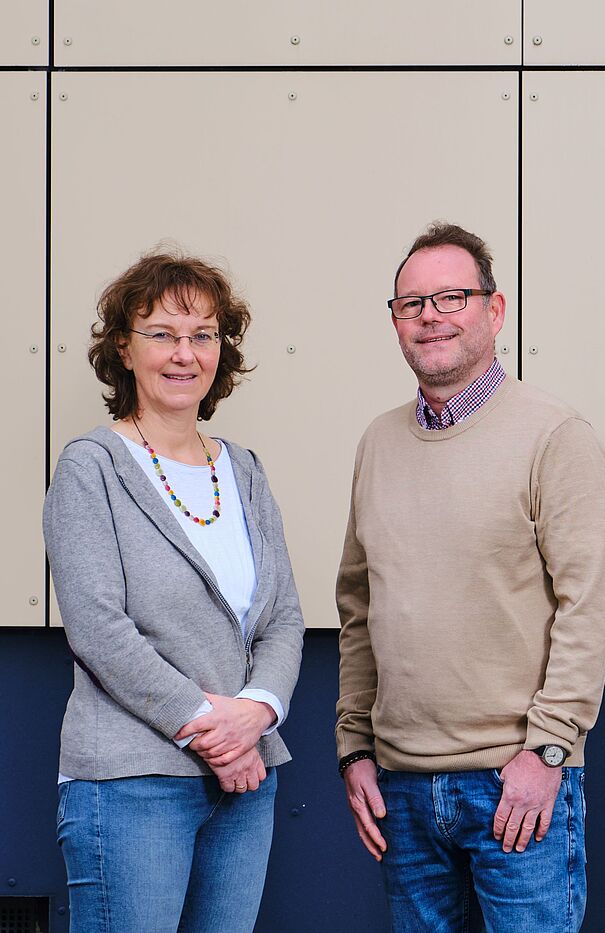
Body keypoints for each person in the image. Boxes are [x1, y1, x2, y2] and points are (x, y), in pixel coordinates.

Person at [335, 222, 605, 932]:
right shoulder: (377, 442)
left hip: (516, 781)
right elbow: (358, 605)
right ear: (396, 322)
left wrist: (549, 750)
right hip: (399, 789)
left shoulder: (555, 437)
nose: (430, 315)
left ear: (495, 311)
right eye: (412, 303)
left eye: (451, 296)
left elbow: (588, 606)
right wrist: (354, 747)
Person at [44, 250, 305, 933]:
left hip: (245, 786)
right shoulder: (90, 468)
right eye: (161, 333)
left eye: (202, 335)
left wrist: (258, 714)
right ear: (124, 350)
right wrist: (217, 733)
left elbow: (283, 618)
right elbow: (99, 628)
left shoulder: (244, 470)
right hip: (133, 783)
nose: (183, 353)